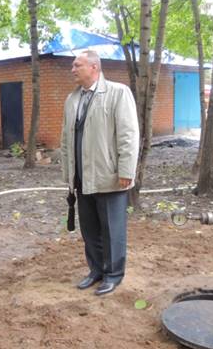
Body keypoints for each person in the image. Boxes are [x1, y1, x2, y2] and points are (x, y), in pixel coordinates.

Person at [60, 50, 139, 296]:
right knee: (90, 228)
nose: (72, 70)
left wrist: (126, 170)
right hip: (82, 177)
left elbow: (128, 135)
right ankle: (96, 270)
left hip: (110, 176)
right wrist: (68, 174)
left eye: (77, 65)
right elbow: (65, 140)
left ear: (94, 67)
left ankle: (113, 274)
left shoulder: (118, 93)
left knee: (112, 229)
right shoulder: (72, 99)